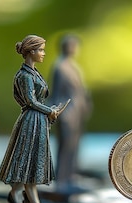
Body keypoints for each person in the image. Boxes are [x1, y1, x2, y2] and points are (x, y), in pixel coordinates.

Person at [0, 35, 67, 203]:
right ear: (32, 51)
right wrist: (49, 111)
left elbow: (35, 100)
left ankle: (26, 202)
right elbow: (29, 101)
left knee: (32, 164)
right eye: (42, 50)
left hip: (38, 122)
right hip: (31, 123)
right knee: (27, 164)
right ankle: (25, 201)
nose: (44, 53)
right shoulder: (25, 75)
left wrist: (48, 111)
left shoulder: (35, 73)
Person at [49, 34, 92, 194]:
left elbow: (81, 91)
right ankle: (61, 180)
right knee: (65, 147)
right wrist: (59, 112)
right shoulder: (59, 67)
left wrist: (86, 104)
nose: (74, 49)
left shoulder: (75, 67)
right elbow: (56, 92)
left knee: (75, 146)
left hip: (78, 113)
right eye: (71, 45)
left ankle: (71, 177)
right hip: (67, 113)